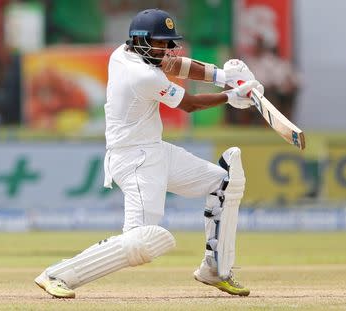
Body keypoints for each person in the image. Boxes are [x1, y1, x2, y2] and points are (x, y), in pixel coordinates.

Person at [35, 8, 263, 299]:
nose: (167, 49)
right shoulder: (142, 75)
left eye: (169, 42)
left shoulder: (124, 52)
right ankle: (58, 274)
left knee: (224, 182)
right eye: (160, 43)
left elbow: (175, 63)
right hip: (135, 161)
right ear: (140, 40)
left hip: (154, 151)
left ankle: (215, 268)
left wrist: (223, 76)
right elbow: (190, 104)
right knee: (141, 241)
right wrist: (232, 96)